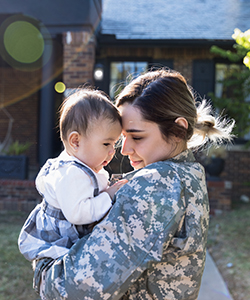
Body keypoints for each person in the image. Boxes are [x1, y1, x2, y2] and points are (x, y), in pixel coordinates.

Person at [24, 69, 234, 300]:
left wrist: (43, 265)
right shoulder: (188, 174)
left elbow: (72, 290)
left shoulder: (157, 185)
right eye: (122, 138)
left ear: (178, 130)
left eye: (137, 137)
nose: (124, 150)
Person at [18, 88, 127, 263]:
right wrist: (108, 195)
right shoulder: (72, 174)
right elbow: (78, 214)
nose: (112, 151)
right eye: (106, 143)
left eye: (114, 143)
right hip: (59, 240)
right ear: (75, 141)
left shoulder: (83, 166)